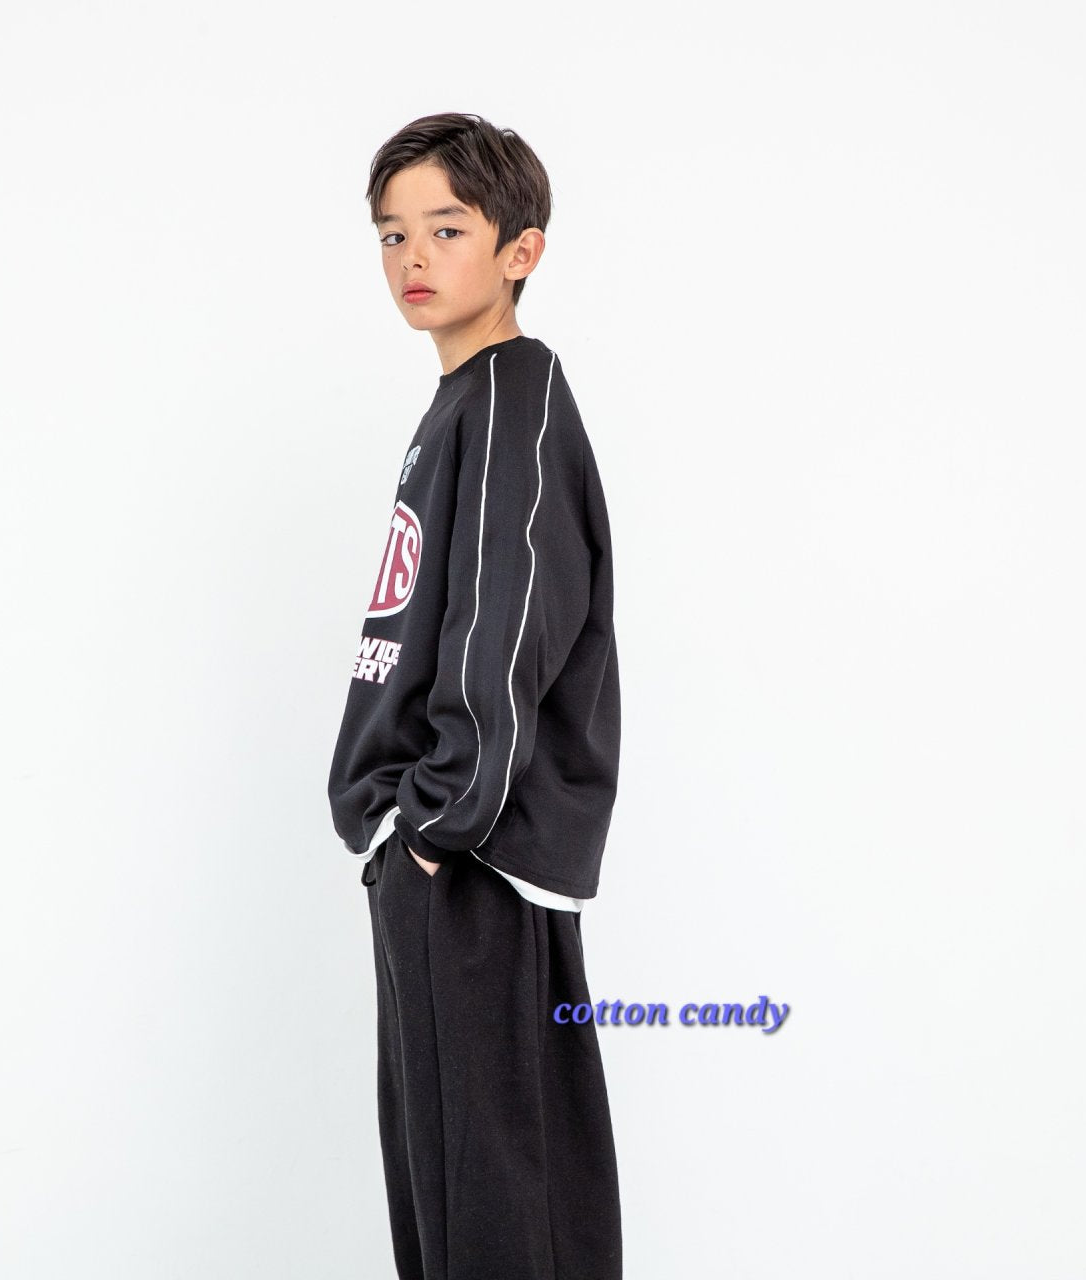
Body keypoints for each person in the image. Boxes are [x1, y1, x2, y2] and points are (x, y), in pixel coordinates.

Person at [327, 111, 622, 1280]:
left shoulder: (511, 395)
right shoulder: (460, 401)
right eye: (391, 232)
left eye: (446, 228)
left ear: (519, 249)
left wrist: (436, 824)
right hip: (436, 855)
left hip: (474, 862)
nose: (412, 255)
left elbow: (505, 623)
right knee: (453, 1200)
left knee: (500, 1201)